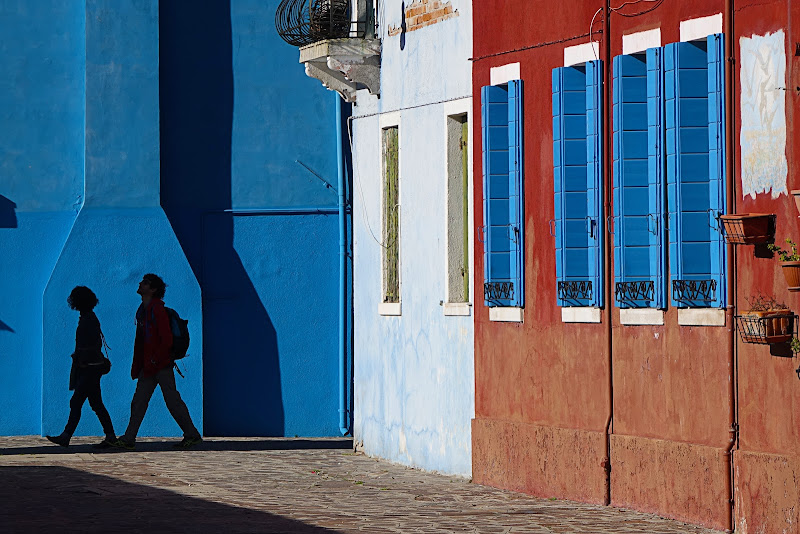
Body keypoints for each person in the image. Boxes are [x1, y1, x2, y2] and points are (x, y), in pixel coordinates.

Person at [113, 273, 202, 449]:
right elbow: (140, 341)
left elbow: (167, 339)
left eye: (145, 283)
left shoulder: (157, 309)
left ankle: (192, 434)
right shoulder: (142, 310)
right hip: (148, 366)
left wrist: (155, 360)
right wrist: (139, 364)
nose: (140, 284)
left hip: (160, 365)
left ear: (152, 289)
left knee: (172, 400)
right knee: (139, 401)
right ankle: (129, 437)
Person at [46, 286, 116, 448]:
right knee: (96, 404)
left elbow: (90, 345)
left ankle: (66, 436)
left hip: (89, 368)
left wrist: (81, 359)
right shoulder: (89, 317)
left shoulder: (88, 320)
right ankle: (110, 436)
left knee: (77, 401)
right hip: (91, 367)